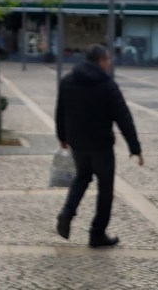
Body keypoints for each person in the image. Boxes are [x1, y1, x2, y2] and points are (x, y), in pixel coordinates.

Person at [55, 43, 144, 248]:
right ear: (101, 60)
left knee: (82, 177)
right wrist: (135, 148)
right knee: (105, 189)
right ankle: (97, 234)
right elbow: (123, 117)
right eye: (108, 59)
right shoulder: (107, 85)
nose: (109, 63)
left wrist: (62, 136)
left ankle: (66, 214)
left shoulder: (68, 80)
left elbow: (60, 111)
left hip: (78, 143)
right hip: (101, 145)